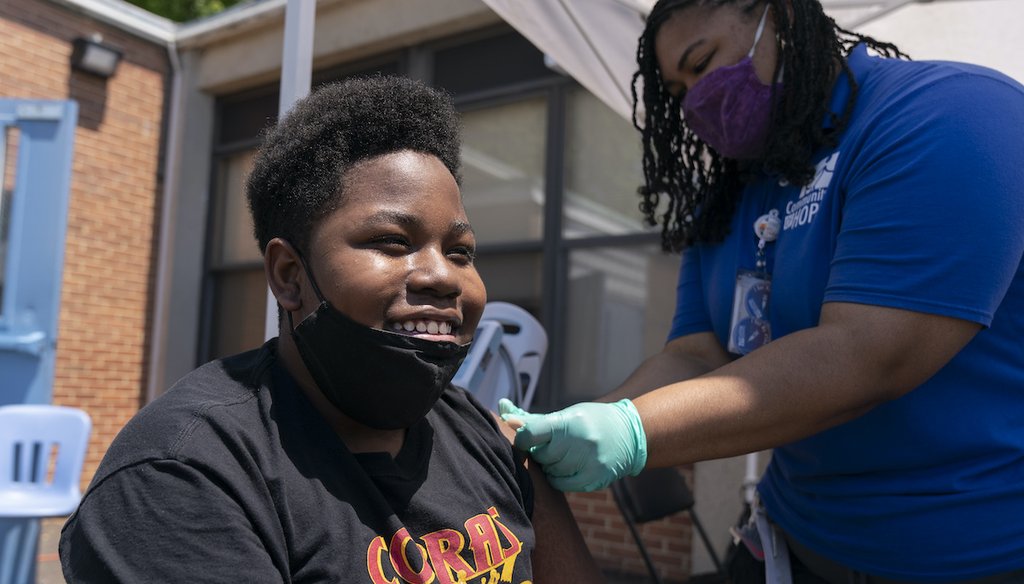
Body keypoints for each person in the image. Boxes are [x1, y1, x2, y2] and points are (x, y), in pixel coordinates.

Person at [500, 0, 1024, 581]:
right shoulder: (728, 199)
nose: (695, 102)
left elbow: (868, 356)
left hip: (970, 555)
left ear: (783, 16)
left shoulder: (949, 116)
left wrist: (633, 432)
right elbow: (697, 356)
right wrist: (594, 417)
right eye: (676, 93)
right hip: (790, 541)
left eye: (701, 65)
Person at [59, 75, 602, 583]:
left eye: (460, 252)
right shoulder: (178, 478)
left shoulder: (482, 435)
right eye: (392, 241)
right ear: (290, 275)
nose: (443, 276)